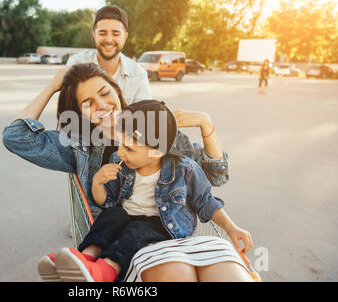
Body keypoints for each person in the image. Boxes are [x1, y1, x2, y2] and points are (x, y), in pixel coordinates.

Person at [2, 63, 250, 282]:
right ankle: (86, 261)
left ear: (116, 90)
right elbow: (15, 137)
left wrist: (206, 124)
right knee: (119, 218)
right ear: (79, 113)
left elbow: (215, 178)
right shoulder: (79, 145)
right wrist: (53, 86)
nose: (102, 106)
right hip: (116, 234)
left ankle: (100, 268)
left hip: (163, 230)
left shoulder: (153, 125)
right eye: (88, 104)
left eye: (105, 93)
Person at [51, 100, 253, 282]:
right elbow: (107, 201)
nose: (120, 152)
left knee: (137, 230)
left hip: (163, 227)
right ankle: (83, 258)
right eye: (120, 144)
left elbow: (206, 202)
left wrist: (232, 228)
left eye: (129, 148)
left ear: (156, 151)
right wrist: (97, 183)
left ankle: (106, 270)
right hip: (126, 218)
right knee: (112, 215)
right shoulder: (119, 162)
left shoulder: (185, 169)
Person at [66, 5, 151, 105]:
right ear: (94, 35)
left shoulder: (139, 75)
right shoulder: (76, 64)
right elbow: (67, 109)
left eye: (116, 34)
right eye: (102, 33)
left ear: (125, 37)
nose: (109, 40)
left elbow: (144, 117)